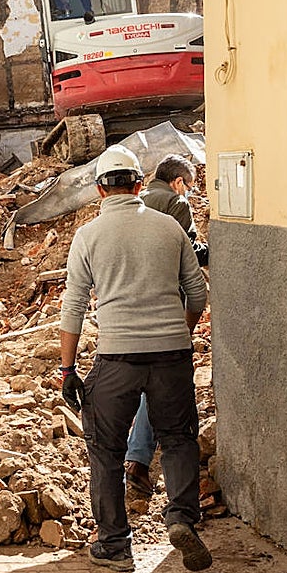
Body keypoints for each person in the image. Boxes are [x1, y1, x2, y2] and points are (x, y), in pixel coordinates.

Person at [58, 145, 211, 573]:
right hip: (171, 355)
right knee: (179, 439)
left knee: (105, 450)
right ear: (139, 186)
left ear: (100, 190)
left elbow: (73, 308)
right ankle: (182, 519)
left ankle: (114, 545)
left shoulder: (88, 237)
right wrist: (180, 332)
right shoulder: (169, 228)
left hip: (117, 359)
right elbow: (198, 294)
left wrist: (68, 369)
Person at [124, 154, 210, 499]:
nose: (189, 192)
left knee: (138, 385)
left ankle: (132, 460)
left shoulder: (137, 202)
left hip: (130, 307)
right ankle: (144, 466)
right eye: (188, 186)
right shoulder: (176, 204)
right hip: (166, 307)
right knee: (167, 392)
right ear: (178, 183)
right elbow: (187, 254)